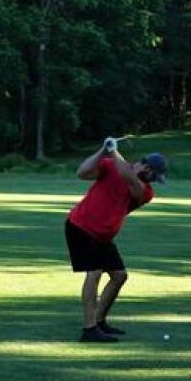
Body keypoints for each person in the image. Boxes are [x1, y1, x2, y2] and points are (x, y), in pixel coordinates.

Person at [64, 138, 166, 342]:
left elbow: (129, 179)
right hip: (81, 226)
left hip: (103, 235)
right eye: (154, 175)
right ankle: (89, 329)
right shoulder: (111, 166)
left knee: (119, 275)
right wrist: (103, 149)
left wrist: (114, 151)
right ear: (146, 168)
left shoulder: (145, 192)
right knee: (94, 272)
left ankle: (99, 321)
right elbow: (82, 173)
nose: (154, 180)